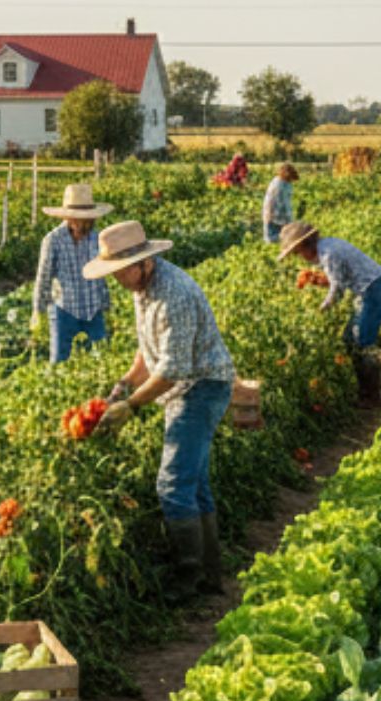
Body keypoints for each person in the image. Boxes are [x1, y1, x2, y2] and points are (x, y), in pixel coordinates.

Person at [85, 220, 235, 602]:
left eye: (121, 271)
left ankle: (188, 579)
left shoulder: (175, 295)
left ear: (144, 263)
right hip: (184, 387)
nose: (117, 279)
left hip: (201, 387)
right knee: (194, 483)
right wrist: (125, 384)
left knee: (172, 484)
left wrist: (131, 407)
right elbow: (149, 350)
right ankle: (209, 577)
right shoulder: (142, 288)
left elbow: (173, 369)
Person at [277, 221, 381, 403]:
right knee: (349, 338)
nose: (300, 257)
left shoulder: (328, 254)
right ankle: (366, 392)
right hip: (369, 289)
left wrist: (321, 310)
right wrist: (322, 282)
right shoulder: (327, 247)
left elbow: (338, 290)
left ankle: (371, 397)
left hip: (373, 290)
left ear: (305, 245)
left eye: (298, 252)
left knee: (361, 340)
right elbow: (341, 279)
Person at [30, 183, 113, 362]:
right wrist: (38, 310)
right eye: (73, 219)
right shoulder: (53, 240)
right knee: (59, 360)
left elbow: (101, 274)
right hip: (64, 310)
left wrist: (106, 305)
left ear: (91, 219)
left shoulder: (96, 239)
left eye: (82, 220)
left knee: (101, 359)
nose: (77, 224)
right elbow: (43, 277)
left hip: (93, 309)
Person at [262, 162, 298, 244]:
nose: (292, 181)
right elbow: (281, 203)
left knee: (277, 239)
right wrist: (289, 220)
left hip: (276, 216)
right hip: (274, 216)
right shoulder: (279, 185)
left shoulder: (282, 182)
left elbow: (286, 203)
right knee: (272, 240)